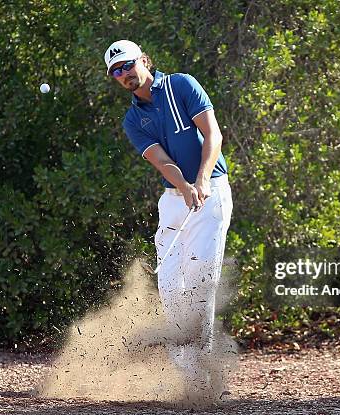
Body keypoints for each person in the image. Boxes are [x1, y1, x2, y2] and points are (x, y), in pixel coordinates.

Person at [104, 40, 233, 399]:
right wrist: (185, 185)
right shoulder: (133, 119)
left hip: (213, 194)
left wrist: (202, 181)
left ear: (144, 60)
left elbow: (213, 134)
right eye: (116, 71)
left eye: (128, 65)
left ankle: (203, 375)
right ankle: (187, 372)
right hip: (174, 200)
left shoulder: (181, 85)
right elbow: (161, 161)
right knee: (170, 285)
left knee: (200, 280)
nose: (124, 74)